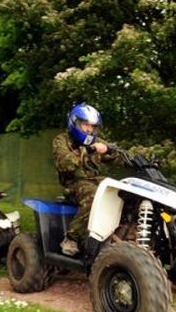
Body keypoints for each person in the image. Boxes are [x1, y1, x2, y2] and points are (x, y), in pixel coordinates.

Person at [52, 102, 124, 256]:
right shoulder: (61, 140)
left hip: (96, 180)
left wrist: (124, 155)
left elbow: (115, 156)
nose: (90, 130)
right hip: (73, 184)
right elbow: (66, 163)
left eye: (93, 126)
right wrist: (89, 151)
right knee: (95, 197)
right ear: (75, 123)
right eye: (86, 125)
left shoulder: (95, 141)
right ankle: (72, 238)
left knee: (123, 192)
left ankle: (121, 237)